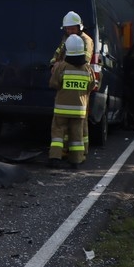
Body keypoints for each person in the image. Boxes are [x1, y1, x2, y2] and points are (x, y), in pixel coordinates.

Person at [48, 34, 95, 169]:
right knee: (77, 135)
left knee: (58, 133)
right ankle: (76, 161)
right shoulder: (87, 69)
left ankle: (55, 158)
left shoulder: (62, 66)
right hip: (79, 110)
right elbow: (91, 86)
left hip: (61, 109)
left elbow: (54, 84)